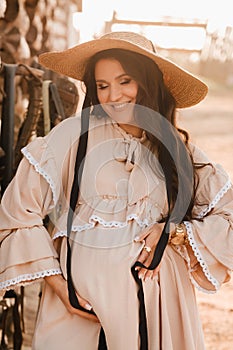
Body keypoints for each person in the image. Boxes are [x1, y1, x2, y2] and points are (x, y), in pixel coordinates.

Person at [0, 31, 233, 350]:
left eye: (125, 81)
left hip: (158, 309)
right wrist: (60, 287)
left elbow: (228, 215)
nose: (113, 96)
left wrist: (175, 232)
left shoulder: (179, 151)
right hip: (79, 315)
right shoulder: (72, 136)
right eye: (103, 85)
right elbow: (17, 213)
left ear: (149, 82)